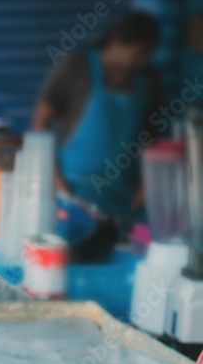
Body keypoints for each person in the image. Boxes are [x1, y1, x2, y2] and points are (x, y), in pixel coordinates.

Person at [32, 11, 164, 219]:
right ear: (117, 40)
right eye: (139, 52)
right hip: (71, 193)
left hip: (123, 198)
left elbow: (151, 135)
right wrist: (57, 184)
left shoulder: (149, 79)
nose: (142, 61)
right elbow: (40, 123)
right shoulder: (76, 67)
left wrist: (145, 184)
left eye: (147, 54)